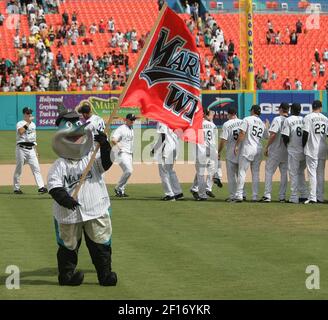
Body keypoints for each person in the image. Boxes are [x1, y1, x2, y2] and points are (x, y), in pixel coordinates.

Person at [48, 105, 117, 286]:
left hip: (95, 208)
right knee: (68, 246)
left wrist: (104, 145)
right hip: (68, 214)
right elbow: (54, 186)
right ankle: (67, 276)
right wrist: (65, 198)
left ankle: (105, 275)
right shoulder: (60, 164)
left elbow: (106, 164)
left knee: (101, 244)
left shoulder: (90, 158)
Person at [233, 105, 265, 202]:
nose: (250, 111)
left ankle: (239, 195)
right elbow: (267, 136)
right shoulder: (262, 123)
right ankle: (255, 196)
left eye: (251, 110)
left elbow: (242, 133)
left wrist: (237, 145)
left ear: (253, 111)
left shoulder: (247, 119)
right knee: (255, 173)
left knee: (242, 172)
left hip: (248, 148)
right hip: (258, 149)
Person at [13, 107, 48, 195]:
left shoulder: (33, 125)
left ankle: (41, 187)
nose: (30, 115)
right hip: (21, 149)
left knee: (36, 169)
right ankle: (16, 188)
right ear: (24, 114)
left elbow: (33, 139)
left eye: (30, 113)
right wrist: (28, 122)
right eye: (28, 113)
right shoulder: (20, 123)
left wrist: (35, 150)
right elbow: (21, 131)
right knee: (19, 169)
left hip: (31, 149)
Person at [260, 102, 289, 202]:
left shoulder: (277, 119)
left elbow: (272, 135)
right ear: (288, 110)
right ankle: (282, 197)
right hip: (286, 152)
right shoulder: (289, 120)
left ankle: (267, 195)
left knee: (269, 172)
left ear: (280, 109)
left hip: (275, 150)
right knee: (284, 174)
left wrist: (267, 147)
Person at [190, 108, 222, 201]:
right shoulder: (212, 125)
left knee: (200, 173)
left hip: (200, 152)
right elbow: (214, 140)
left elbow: (190, 138)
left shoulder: (197, 124)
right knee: (210, 171)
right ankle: (202, 192)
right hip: (211, 152)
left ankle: (202, 193)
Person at [281, 103, 308, 203]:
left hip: (293, 150)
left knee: (293, 174)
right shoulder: (304, 119)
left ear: (291, 110)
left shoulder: (288, 120)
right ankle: (304, 195)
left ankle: (294, 197)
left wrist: (287, 145)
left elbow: (285, 136)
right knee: (301, 173)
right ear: (300, 110)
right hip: (303, 151)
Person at [302, 100, 328, 204]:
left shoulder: (308, 117)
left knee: (312, 174)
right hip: (322, 148)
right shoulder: (325, 119)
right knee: (320, 174)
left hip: (312, 148)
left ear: (312, 107)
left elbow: (305, 133)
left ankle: (312, 197)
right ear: (320, 108)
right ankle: (320, 197)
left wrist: (303, 146)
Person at [151, 122, 183, 201]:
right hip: (174, 148)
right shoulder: (169, 119)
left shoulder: (161, 121)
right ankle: (178, 193)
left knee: (163, 172)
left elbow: (163, 137)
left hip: (167, 149)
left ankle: (170, 195)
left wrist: (154, 149)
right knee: (170, 171)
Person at [218, 108, 243, 202]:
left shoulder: (227, 124)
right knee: (241, 174)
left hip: (231, 153)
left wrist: (219, 151)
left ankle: (233, 195)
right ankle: (241, 194)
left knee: (231, 176)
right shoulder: (242, 122)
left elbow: (223, 140)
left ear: (229, 114)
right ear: (236, 113)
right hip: (241, 151)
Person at [111, 114, 136, 197]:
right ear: (126, 120)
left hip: (129, 153)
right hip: (121, 153)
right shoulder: (121, 129)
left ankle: (120, 191)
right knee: (129, 170)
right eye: (131, 119)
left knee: (128, 171)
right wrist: (118, 145)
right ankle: (118, 188)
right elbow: (113, 139)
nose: (133, 121)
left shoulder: (131, 129)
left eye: (134, 119)